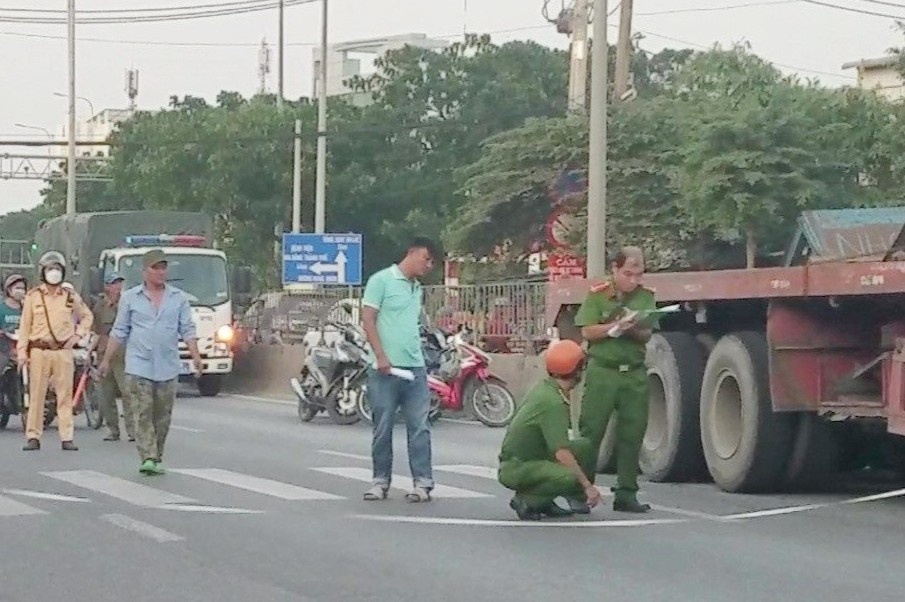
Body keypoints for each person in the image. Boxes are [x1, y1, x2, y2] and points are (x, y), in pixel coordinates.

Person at [99, 249, 202, 476]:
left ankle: (157, 454)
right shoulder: (130, 298)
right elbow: (119, 331)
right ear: (145, 271)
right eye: (155, 267)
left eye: (163, 267)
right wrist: (106, 360)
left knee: (162, 415)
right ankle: (148, 456)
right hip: (139, 364)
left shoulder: (178, 299)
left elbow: (187, 329)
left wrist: (196, 356)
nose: (160, 272)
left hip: (167, 364)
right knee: (142, 410)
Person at [572, 246, 659, 513]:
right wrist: (614, 328)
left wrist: (634, 329)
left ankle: (626, 493)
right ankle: (581, 491)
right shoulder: (599, 295)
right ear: (615, 270)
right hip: (603, 370)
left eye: (639, 274)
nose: (634, 280)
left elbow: (647, 334)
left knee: (632, 433)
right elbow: (587, 330)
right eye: (628, 274)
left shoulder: (645, 297)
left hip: (633, 372)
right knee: (591, 433)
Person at [360, 236, 441, 503]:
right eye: (426, 259)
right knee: (382, 427)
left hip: (415, 368)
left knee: (420, 426)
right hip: (385, 369)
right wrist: (381, 355)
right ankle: (380, 481)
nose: (428, 265)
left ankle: (422, 483)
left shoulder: (417, 288)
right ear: (412, 252)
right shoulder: (381, 281)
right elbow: (368, 320)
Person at [498, 339, 602, 521]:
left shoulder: (548, 388)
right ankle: (528, 501)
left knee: (585, 446)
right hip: (518, 467)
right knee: (570, 476)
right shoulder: (552, 402)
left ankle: (565, 500)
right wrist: (587, 485)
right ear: (576, 370)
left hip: (530, 457)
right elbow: (561, 453)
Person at [18, 252, 93, 451]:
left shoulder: (69, 296)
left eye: (58, 269)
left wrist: (77, 336)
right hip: (39, 350)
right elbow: (25, 326)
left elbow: (86, 316)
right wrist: (22, 354)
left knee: (65, 395)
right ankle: (33, 435)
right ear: (43, 271)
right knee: (37, 395)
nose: (54, 273)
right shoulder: (33, 296)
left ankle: (66, 436)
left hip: (63, 351)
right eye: (50, 269)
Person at [92, 271, 135, 442]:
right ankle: (113, 430)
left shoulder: (127, 305)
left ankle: (132, 430)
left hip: (124, 352)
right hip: (104, 353)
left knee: (127, 392)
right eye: (114, 283)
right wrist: (92, 350)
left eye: (119, 283)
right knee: (106, 393)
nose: (117, 287)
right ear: (107, 287)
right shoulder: (99, 307)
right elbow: (95, 331)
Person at [0, 274, 27, 413]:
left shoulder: (27, 308)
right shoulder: (1, 307)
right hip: (4, 348)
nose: (20, 291)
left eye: (22, 288)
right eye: (17, 288)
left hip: (24, 347)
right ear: (9, 290)